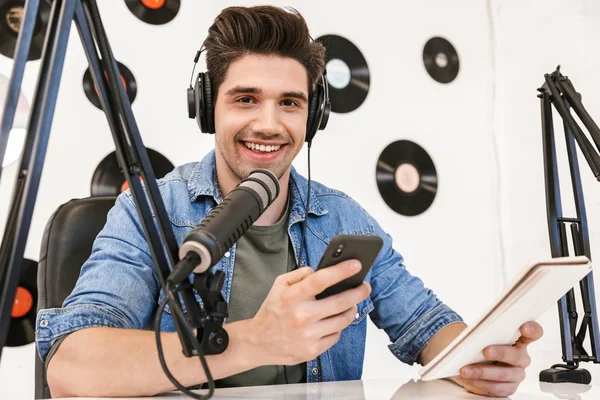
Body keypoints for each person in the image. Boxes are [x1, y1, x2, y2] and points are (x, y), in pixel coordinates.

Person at [35, 5, 543, 398]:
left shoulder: (343, 217)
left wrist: (482, 358)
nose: (269, 124)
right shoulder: (150, 211)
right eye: (245, 98)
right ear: (208, 106)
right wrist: (255, 340)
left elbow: (427, 327)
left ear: (314, 115)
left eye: (290, 103)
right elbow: (72, 369)